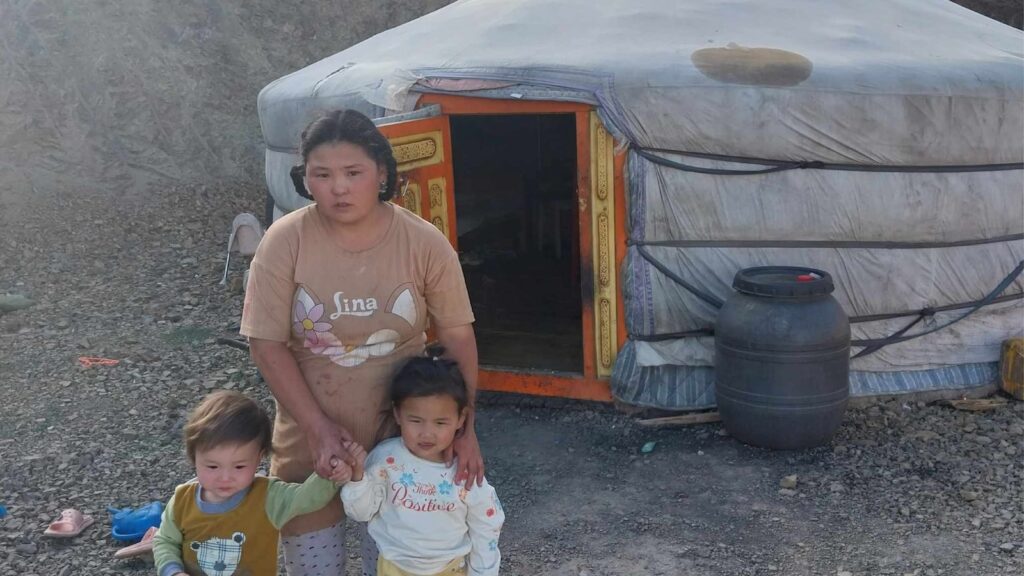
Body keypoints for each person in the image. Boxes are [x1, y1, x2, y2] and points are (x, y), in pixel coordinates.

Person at [241, 108, 485, 576]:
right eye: (322, 175)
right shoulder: (284, 242)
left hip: (405, 439)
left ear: (382, 173)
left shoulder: (423, 242)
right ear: (305, 179)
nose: (339, 187)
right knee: (313, 565)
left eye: (353, 173)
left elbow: (458, 336)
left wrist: (466, 429)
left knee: (398, 563)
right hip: (308, 436)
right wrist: (317, 428)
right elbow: (265, 344)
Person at [152, 390, 350, 576]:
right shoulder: (182, 500)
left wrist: (332, 472)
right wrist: (173, 571)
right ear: (194, 457)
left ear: (258, 458)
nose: (225, 477)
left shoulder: (268, 496)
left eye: (239, 467)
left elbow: (306, 498)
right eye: (212, 466)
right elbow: (165, 541)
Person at [342, 352, 504, 576]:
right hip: (393, 569)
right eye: (416, 420)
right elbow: (361, 513)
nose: (427, 433)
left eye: (440, 423)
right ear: (397, 414)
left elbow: (487, 523)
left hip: (449, 570)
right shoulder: (385, 460)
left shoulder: (464, 470)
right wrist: (358, 479)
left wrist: (483, 571)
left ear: (461, 419)